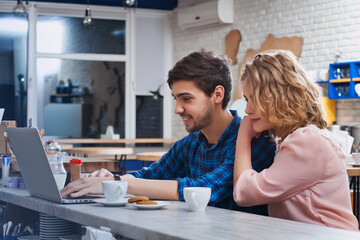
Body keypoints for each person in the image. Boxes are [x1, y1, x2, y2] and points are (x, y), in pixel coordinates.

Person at [61, 50, 276, 214]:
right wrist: (113, 179)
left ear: (217, 94)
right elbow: (150, 175)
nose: (177, 109)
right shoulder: (191, 143)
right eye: (176, 99)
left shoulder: (253, 140)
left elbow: (204, 188)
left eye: (187, 98)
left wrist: (119, 184)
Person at [233, 50, 359, 230]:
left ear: (281, 97)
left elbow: (244, 193)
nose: (247, 110)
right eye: (247, 99)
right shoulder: (298, 138)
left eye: (255, 99)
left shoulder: (308, 141)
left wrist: (243, 137)